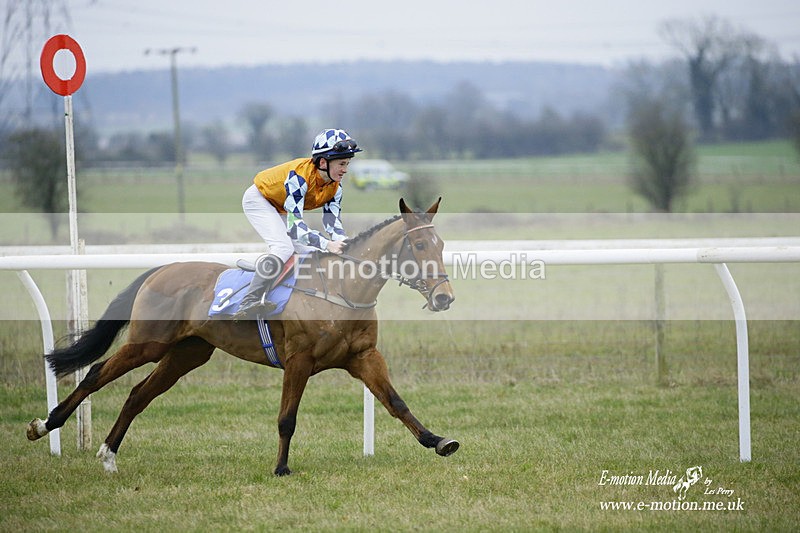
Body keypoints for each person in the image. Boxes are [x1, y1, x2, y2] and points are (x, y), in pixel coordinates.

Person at [234, 128, 362, 320]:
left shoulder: (335, 187)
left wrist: (346, 243)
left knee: (310, 252)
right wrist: (327, 244)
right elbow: (295, 227)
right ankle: (249, 300)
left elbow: (333, 224)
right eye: (342, 163)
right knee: (284, 248)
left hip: (281, 206)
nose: (345, 169)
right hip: (259, 199)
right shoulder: (299, 178)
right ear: (323, 162)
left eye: (347, 163)